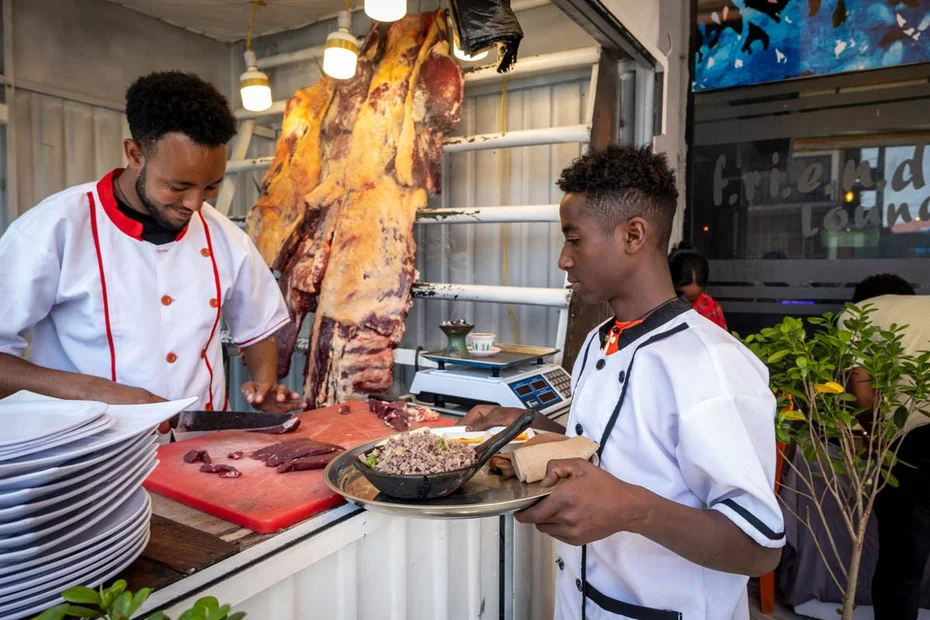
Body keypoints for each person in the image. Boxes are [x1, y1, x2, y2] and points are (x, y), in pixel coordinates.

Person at [463, 145, 783, 619]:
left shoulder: (711, 365)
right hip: (582, 602)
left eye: (574, 240)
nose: (563, 261)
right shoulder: (600, 339)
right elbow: (607, 446)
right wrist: (529, 425)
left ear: (634, 235)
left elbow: (759, 547)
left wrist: (635, 509)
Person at [0, 71, 304, 425]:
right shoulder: (55, 229)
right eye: (178, 186)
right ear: (135, 154)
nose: (194, 204)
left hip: (199, 451)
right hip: (88, 455)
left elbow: (259, 325)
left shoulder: (224, 235)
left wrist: (265, 384)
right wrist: (95, 391)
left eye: (211, 187)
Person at [847, 274, 929, 620]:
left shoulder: (858, 314)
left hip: (911, 442)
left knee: (902, 562)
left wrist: (874, 438)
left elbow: (862, 392)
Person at [669, 247, 728, 329]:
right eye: (680, 297)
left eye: (692, 300)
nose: (687, 305)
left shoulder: (712, 310)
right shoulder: (656, 309)